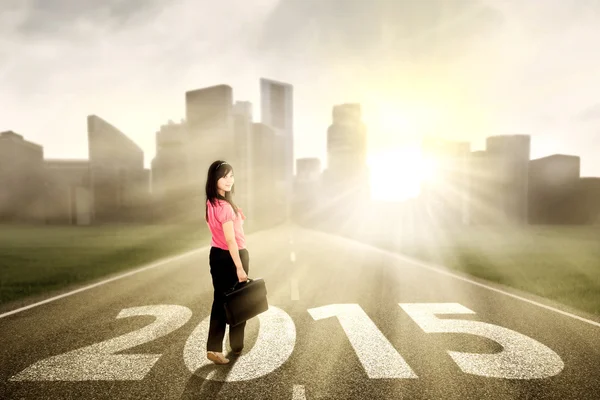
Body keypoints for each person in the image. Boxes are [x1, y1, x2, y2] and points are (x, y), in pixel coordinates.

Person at [204, 160, 249, 365]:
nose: (229, 180)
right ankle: (236, 346)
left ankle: (214, 348)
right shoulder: (225, 207)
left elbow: (217, 229)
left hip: (216, 254)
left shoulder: (212, 202)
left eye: (231, 175)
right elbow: (231, 239)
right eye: (224, 176)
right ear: (215, 179)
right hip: (233, 255)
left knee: (220, 301)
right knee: (239, 301)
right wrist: (239, 267)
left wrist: (236, 215)